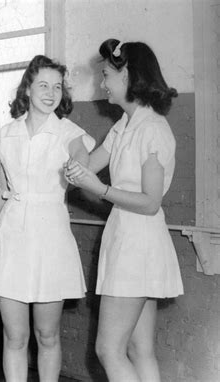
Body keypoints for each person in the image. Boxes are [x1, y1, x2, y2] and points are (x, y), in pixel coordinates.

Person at [0, 55, 95, 382]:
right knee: (14, 335)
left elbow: (81, 155)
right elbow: (1, 186)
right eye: (43, 85)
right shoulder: (8, 133)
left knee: (47, 334)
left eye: (57, 87)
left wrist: (78, 167)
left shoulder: (69, 132)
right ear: (28, 88)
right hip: (10, 236)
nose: (50, 93)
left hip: (50, 235)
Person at [65, 39, 184, 382]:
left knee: (108, 350)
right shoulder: (124, 125)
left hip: (139, 242)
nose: (102, 85)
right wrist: (73, 152)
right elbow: (92, 161)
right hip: (127, 238)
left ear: (128, 74)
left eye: (106, 76)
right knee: (137, 349)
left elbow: (150, 202)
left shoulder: (153, 130)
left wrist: (98, 188)